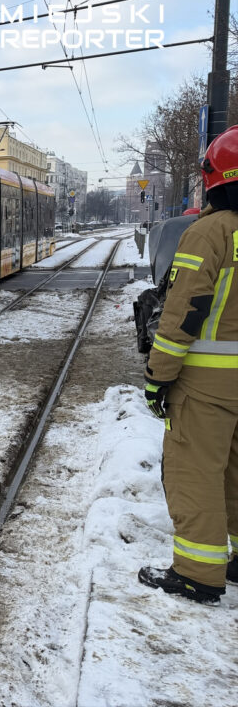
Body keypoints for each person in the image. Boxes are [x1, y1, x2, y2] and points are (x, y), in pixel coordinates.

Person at [139, 125, 238, 605]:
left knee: (195, 471)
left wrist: (158, 378)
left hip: (208, 387)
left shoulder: (210, 233)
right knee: (236, 471)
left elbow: (183, 314)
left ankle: (198, 573)